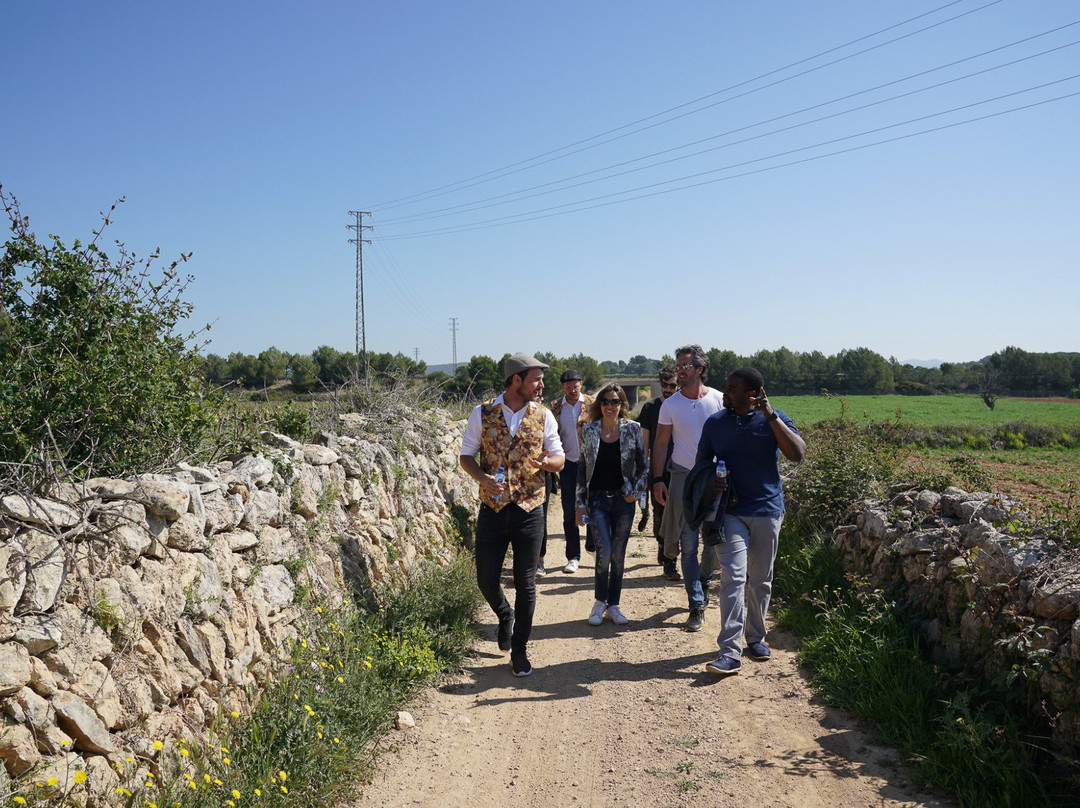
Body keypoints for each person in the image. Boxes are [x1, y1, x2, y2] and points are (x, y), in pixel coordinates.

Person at [459, 353, 566, 677]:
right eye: (536, 378)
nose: (541, 384)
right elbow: (466, 456)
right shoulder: (483, 413)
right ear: (516, 380)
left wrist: (547, 464)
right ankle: (505, 614)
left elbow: (559, 458)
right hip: (492, 508)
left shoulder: (544, 415)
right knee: (487, 579)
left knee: (526, 583)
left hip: (530, 508)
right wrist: (483, 478)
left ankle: (519, 650)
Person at [697, 367, 806, 676]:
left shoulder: (775, 419)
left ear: (751, 393)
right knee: (733, 577)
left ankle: (756, 637)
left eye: (731, 388)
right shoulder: (716, 423)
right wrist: (711, 478)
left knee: (760, 579)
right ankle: (729, 652)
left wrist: (770, 415)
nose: (725, 392)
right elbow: (701, 461)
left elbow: (797, 453)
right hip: (728, 512)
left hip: (768, 511)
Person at [651, 345, 724, 632]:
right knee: (688, 544)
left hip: (715, 479)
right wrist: (658, 479)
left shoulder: (719, 399)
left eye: (684, 366)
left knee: (712, 540)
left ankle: (704, 583)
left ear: (699, 369)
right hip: (682, 478)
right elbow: (660, 444)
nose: (679, 371)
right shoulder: (670, 405)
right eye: (677, 365)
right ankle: (696, 604)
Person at [576, 383, 648, 627]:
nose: (609, 406)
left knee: (618, 555)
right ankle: (599, 601)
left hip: (623, 501)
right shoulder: (589, 431)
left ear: (622, 405)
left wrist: (634, 494)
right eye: (605, 401)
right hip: (597, 500)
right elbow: (581, 469)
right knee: (604, 553)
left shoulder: (633, 429)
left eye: (615, 402)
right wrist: (580, 504)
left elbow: (643, 467)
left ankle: (613, 605)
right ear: (599, 405)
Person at [549, 369, 594, 573]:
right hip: (568, 464)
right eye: (568, 387)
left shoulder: (594, 404)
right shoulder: (555, 408)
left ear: (581, 384)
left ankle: (593, 546)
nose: (572, 390)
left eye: (575, 386)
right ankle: (573, 556)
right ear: (562, 387)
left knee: (594, 508)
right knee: (569, 512)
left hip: (591, 464)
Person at [637, 365, 678, 567]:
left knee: (679, 513)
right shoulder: (650, 408)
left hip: (681, 467)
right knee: (659, 512)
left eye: (672, 386)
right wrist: (644, 471)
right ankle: (663, 549)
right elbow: (645, 443)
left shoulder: (684, 406)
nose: (668, 390)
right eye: (664, 385)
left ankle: (673, 553)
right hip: (658, 467)